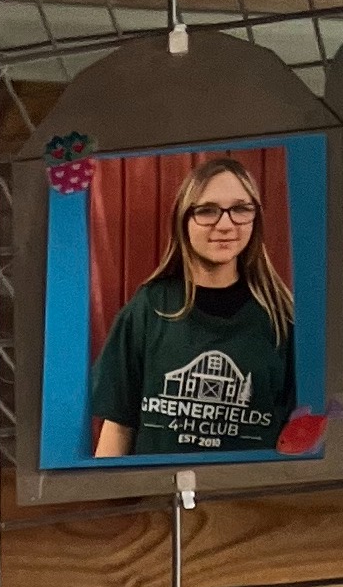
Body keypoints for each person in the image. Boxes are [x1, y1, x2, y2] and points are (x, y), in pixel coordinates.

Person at [90, 154, 299, 459]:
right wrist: (107, 502)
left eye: (240, 209)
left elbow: (300, 436)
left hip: (250, 503)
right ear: (183, 220)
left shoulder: (281, 316)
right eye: (208, 211)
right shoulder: (150, 308)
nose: (225, 224)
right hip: (159, 501)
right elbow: (119, 425)